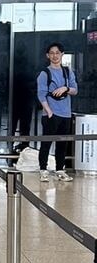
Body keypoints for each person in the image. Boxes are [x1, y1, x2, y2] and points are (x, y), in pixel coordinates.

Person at [37, 42, 78, 183]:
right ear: (48, 55)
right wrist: (49, 112)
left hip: (66, 114)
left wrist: (65, 88)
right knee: (46, 143)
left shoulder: (68, 72)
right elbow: (41, 94)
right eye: (52, 53)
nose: (55, 56)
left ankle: (60, 169)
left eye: (57, 53)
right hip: (51, 114)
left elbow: (74, 90)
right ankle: (43, 170)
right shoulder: (44, 73)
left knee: (62, 144)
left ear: (62, 54)